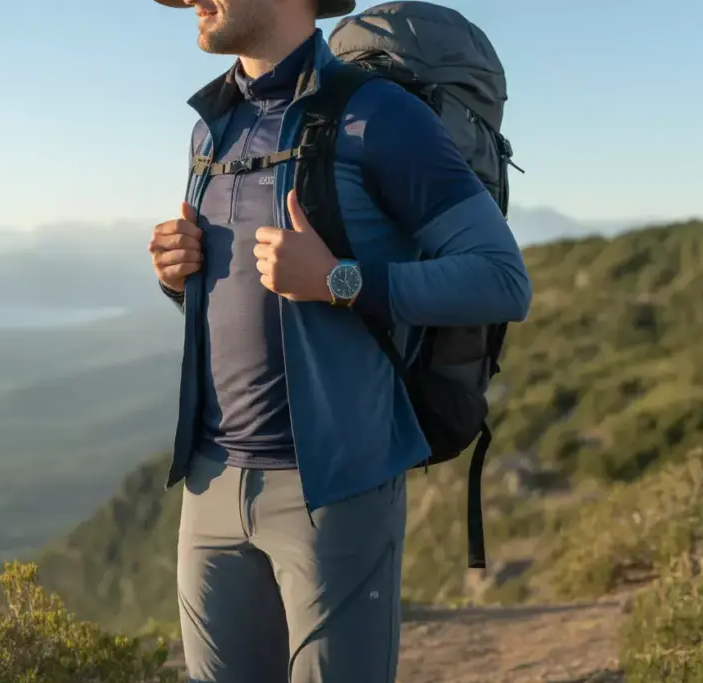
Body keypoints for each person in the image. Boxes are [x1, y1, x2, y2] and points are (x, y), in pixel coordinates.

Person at [147, 0, 533, 680]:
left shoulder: (379, 117)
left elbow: (503, 280)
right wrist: (179, 275)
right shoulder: (209, 131)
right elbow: (246, 297)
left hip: (335, 489)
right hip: (207, 486)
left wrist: (341, 279)